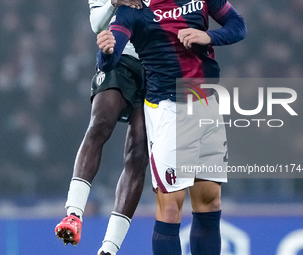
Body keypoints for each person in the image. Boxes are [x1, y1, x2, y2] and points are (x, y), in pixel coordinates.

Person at [96, 0, 246, 254]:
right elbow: (109, 61)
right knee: (170, 206)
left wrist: (208, 36)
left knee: (210, 201)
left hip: (208, 103)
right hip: (169, 110)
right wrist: (106, 52)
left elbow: (238, 26)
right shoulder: (132, 8)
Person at [55, 0, 149, 255]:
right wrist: (113, 2)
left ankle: (109, 248)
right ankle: (74, 214)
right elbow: (97, 23)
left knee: (138, 153)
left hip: (157, 63)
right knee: (100, 124)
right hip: (118, 56)